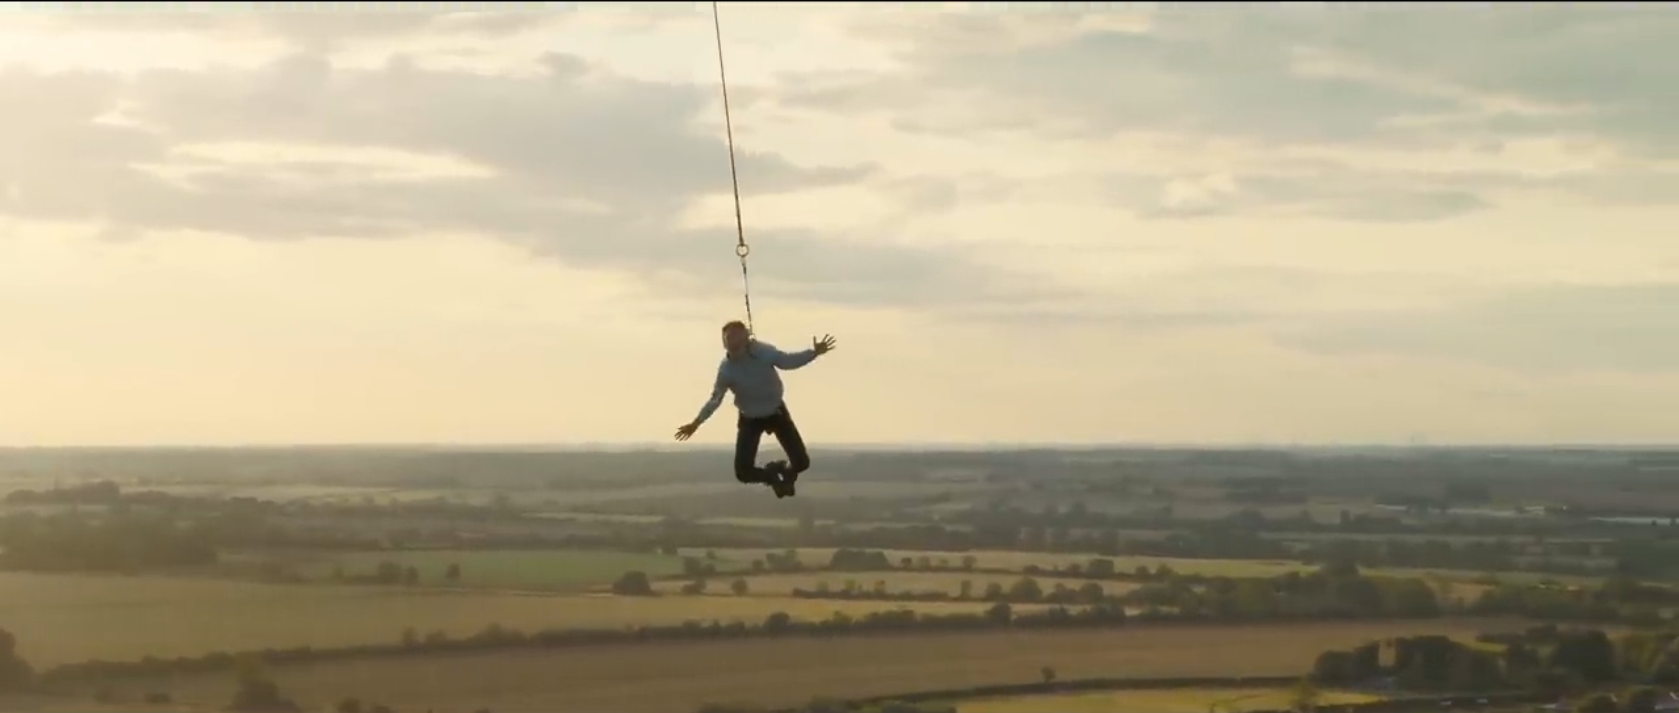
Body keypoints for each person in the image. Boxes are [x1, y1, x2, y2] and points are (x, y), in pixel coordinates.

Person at [674, 321, 838, 498]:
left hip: (776, 412)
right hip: (750, 418)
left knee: (801, 463)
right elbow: (715, 400)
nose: (733, 343)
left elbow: (787, 361)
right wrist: (696, 423)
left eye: (736, 337)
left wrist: (813, 353)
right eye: (729, 339)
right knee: (743, 472)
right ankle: (772, 476)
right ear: (724, 343)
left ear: (746, 339)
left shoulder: (763, 352)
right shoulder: (726, 371)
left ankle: (785, 473)